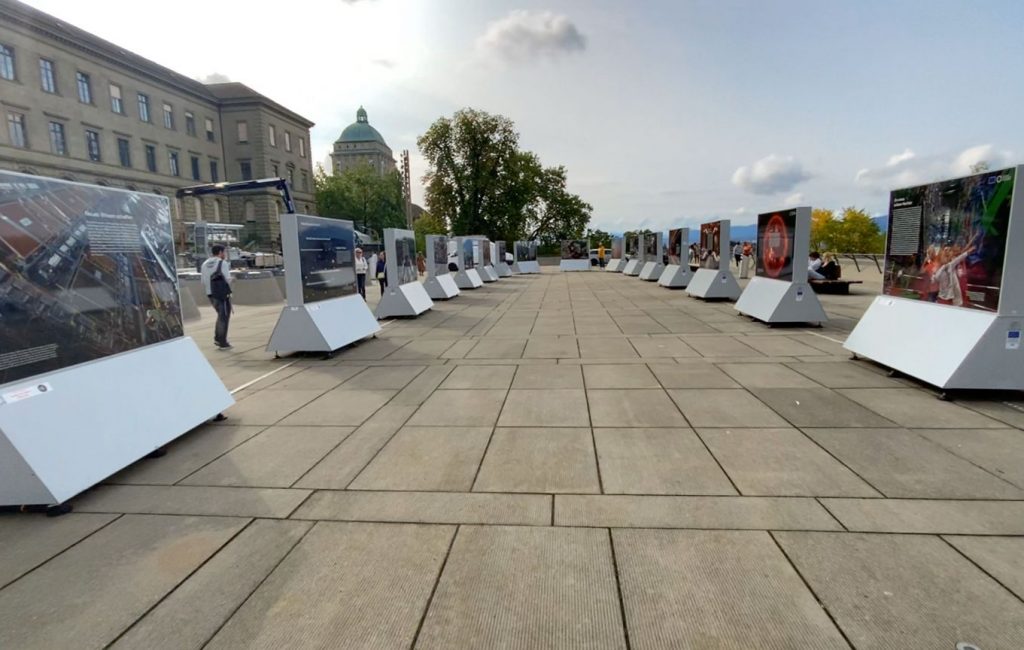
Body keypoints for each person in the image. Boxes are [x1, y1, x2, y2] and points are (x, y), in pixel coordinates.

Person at [200, 244, 233, 350]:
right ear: (220, 252)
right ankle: (222, 341)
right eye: (224, 252)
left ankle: (218, 338)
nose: (225, 254)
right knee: (224, 317)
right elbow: (227, 279)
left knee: (220, 315)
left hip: (210, 293)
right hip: (221, 294)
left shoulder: (204, 264)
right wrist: (233, 280)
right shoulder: (222, 263)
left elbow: (203, 281)